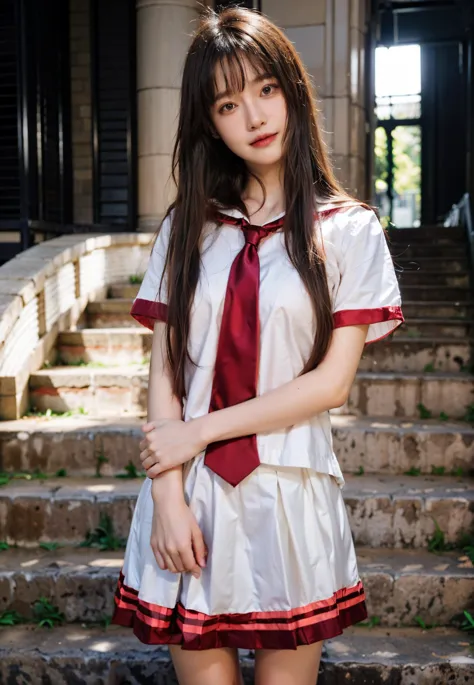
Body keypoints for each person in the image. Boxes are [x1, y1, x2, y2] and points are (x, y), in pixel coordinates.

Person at [112, 6, 404, 685]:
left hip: (289, 491)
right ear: (209, 122)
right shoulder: (188, 228)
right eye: (228, 103)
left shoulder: (351, 230)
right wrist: (168, 493)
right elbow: (166, 367)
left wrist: (198, 431)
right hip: (193, 493)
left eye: (266, 89)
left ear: (293, 89)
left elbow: (332, 384)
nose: (254, 116)